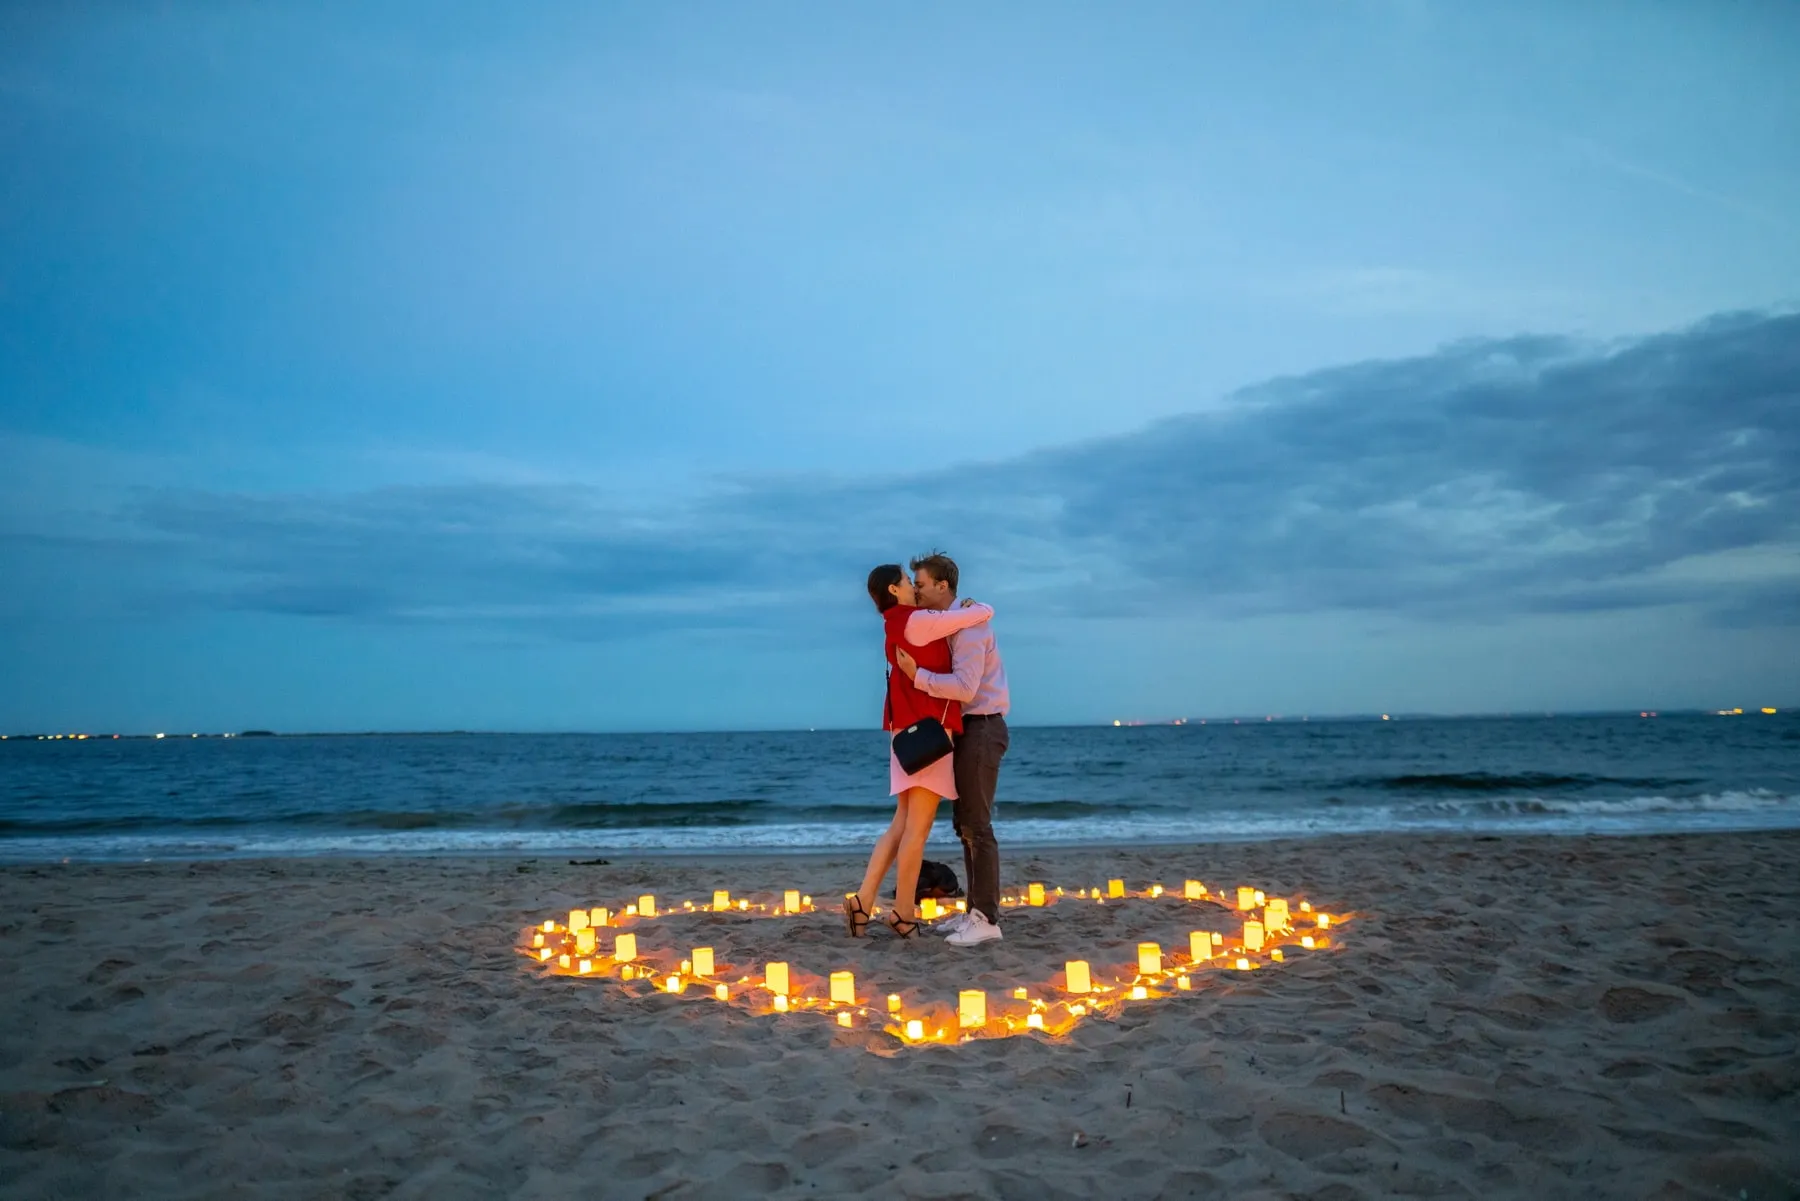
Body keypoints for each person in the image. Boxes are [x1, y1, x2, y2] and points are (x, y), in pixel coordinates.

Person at [845, 565, 994, 939]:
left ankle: (863, 900)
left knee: (901, 824)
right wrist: (980, 606)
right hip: (929, 736)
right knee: (917, 830)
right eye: (908, 581)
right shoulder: (917, 620)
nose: (913, 586)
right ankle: (903, 913)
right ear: (894, 590)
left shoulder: (896, 623)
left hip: (907, 735)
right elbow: (976, 615)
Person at [893, 551, 1010, 947]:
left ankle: (986, 919)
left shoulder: (971, 627)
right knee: (965, 826)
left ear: (943, 586)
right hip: (967, 730)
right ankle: (973, 912)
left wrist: (917, 676)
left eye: (921, 585)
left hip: (983, 727)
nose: (917, 592)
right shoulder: (954, 622)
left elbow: (965, 688)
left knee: (978, 826)